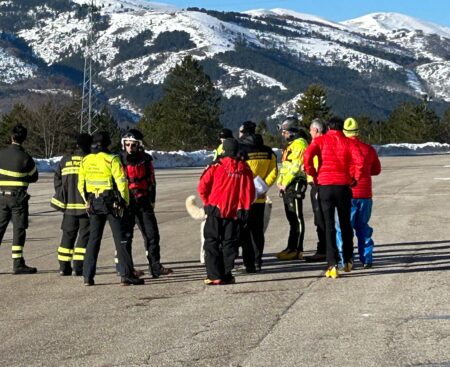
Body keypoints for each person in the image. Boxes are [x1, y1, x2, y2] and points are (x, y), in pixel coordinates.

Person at [78, 131, 143, 286]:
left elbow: (81, 184)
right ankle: (126, 274)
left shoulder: (86, 160)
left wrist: (87, 201)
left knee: (93, 239)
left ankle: (87, 275)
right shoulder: (112, 159)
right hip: (111, 203)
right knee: (121, 239)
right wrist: (125, 201)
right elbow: (122, 182)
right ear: (107, 143)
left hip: (94, 203)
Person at [304, 117, 364, 279]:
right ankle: (349, 259)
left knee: (329, 225)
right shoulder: (348, 142)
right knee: (345, 224)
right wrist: (355, 177)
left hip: (324, 186)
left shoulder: (321, 140)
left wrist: (313, 174)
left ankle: (332, 264)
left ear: (329, 127)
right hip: (343, 186)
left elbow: (307, 155)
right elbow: (360, 160)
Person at [198, 138, 255, 285]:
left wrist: (208, 202)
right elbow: (250, 191)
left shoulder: (217, 166)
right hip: (235, 212)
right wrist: (245, 207)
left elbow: (202, 187)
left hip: (216, 209)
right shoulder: (245, 169)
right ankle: (226, 274)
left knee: (211, 242)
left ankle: (214, 275)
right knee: (229, 243)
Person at [119, 129, 173, 278]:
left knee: (152, 235)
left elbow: (152, 182)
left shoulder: (146, 160)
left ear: (139, 145)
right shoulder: (118, 160)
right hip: (127, 204)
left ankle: (155, 266)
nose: (130, 147)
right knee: (125, 237)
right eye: (127, 144)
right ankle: (125, 269)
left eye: (133, 145)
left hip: (143, 202)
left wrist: (152, 201)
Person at [335, 117, 381, 268]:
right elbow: (376, 170)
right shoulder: (368, 149)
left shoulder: (341, 149)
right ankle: (367, 258)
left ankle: (345, 259)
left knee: (343, 228)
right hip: (365, 194)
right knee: (363, 227)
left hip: (346, 193)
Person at [51, 133, 92, 276]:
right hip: (85, 207)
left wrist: (63, 194)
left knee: (67, 236)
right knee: (84, 236)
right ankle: (78, 267)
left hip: (68, 207)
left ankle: (64, 267)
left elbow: (57, 180)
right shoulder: (89, 160)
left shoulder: (65, 160)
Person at [238, 122, 278, 272]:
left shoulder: (241, 150)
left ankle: (248, 263)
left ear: (244, 132)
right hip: (260, 196)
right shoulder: (268, 151)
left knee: (245, 231)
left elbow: (238, 172)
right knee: (257, 231)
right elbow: (274, 171)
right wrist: (263, 187)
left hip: (244, 197)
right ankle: (257, 261)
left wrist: (248, 189)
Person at [0, 123, 39, 274]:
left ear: (11, 137)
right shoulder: (26, 158)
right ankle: (17, 263)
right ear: (24, 138)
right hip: (18, 199)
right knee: (19, 229)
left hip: (1, 197)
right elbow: (34, 177)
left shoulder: (1, 154)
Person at [275, 117, 309, 261]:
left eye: (285, 132)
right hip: (288, 184)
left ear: (292, 132)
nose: (283, 134)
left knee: (297, 218)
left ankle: (298, 249)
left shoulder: (300, 144)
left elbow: (296, 167)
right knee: (291, 218)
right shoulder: (290, 145)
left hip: (296, 182)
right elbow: (285, 166)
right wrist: (280, 181)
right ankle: (290, 247)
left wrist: (286, 182)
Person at [304, 119, 327, 263]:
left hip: (319, 183)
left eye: (311, 130)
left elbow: (308, 159)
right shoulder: (329, 141)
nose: (310, 133)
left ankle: (323, 250)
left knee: (320, 218)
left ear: (316, 131)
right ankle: (329, 248)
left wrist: (311, 173)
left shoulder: (317, 143)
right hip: (327, 183)